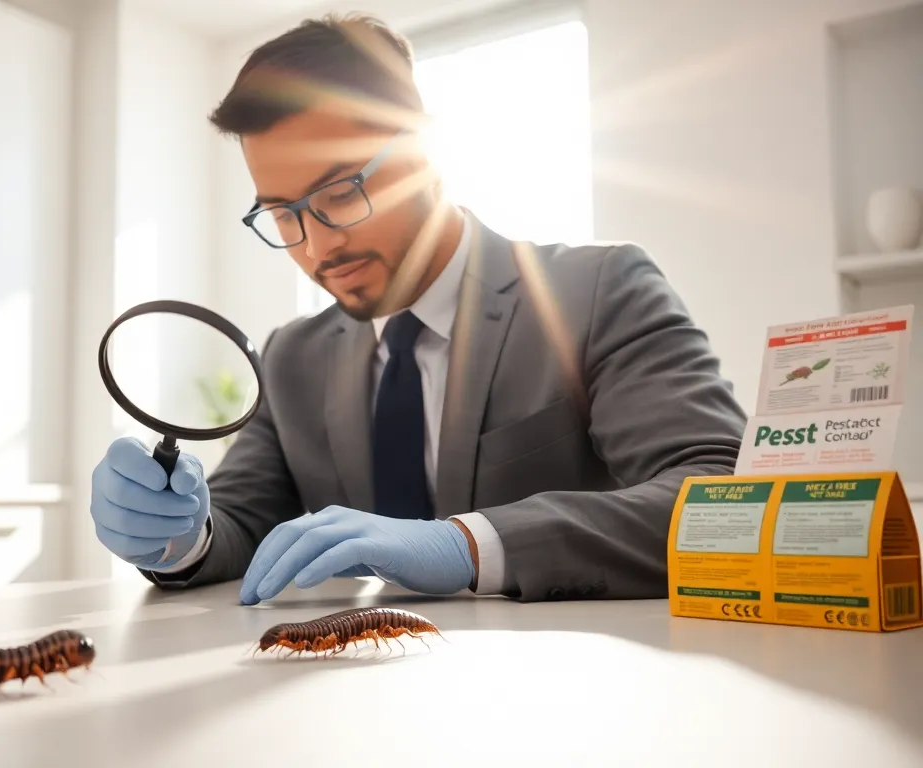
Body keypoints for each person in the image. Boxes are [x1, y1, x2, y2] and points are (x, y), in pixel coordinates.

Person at [89, 13, 747, 605]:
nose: (318, 245)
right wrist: (179, 536)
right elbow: (237, 520)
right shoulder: (293, 356)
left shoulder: (597, 291)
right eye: (283, 213)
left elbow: (723, 496)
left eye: (341, 191)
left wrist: (468, 546)